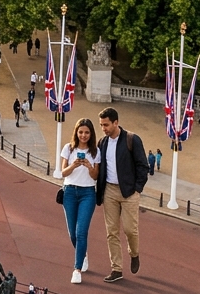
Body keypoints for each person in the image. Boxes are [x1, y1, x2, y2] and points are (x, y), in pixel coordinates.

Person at [95, 107, 148, 282]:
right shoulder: (102, 142)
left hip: (129, 192)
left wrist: (137, 188)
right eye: (101, 125)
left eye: (106, 125)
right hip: (109, 191)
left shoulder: (132, 139)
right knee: (111, 232)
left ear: (116, 122)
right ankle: (116, 268)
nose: (103, 128)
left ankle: (134, 254)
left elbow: (143, 166)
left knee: (130, 230)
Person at [60, 118, 101, 283]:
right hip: (69, 192)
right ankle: (82, 254)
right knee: (72, 233)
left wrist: (90, 167)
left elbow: (95, 176)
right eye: (81, 132)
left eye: (87, 132)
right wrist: (74, 165)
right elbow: (63, 172)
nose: (83, 135)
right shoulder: (68, 149)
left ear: (91, 134)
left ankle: (77, 269)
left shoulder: (95, 152)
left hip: (88, 193)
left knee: (81, 231)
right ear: (76, 132)